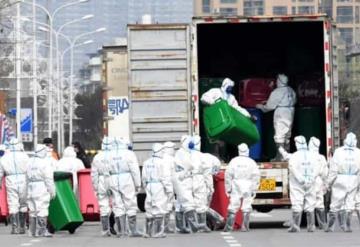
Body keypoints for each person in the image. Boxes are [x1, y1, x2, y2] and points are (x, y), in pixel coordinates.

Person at [256, 74, 296, 161]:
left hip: (281, 114)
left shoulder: (277, 91)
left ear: (279, 81)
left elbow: (269, 107)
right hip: (290, 112)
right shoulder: (290, 90)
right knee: (287, 135)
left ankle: (280, 157)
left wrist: (260, 106)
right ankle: (286, 155)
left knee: (279, 135)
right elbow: (292, 100)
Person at [326, 132, 360, 232]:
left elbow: (333, 170)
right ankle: (347, 226)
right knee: (349, 203)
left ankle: (330, 226)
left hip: (340, 179)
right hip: (353, 179)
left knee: (336, 203)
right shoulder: (358, 152)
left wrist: (328, 183)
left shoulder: (338, 151)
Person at [109, 137, 142, 237]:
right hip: (126, 179)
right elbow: (135, 170)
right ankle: (133, 230)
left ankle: (121, 231)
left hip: (113, 179)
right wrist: (138, 184)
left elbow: (105, 170)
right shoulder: (129, 154)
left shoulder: (109, 154)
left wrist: (107, 185)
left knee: (117, 204)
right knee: (130, 203)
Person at [287, 136, 321, 233]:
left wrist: (300, 179)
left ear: (297, 144)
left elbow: (292, 168)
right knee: (310, 203)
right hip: (310, 183)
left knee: (297, 203)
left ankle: (295, 226)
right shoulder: (313, 155)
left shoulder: (294, 156)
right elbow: (317, 168)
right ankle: (311, 226)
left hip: (298, 184)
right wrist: (312, 177)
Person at [224, 143, 260, 232]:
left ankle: (229, 227)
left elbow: (228, 175)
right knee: (247, 205)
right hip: (248, 185)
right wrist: (254, 188)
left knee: (233, 205)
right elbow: (256, 176)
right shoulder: (251, 162)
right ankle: (245, 226)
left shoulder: (234, 161)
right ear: (248, 150)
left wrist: (228, 188)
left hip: (236, 184)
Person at [0, 138, 29, 234]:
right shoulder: (25, 156)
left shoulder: (4, 158)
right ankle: (22, 226)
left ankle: (14, 227)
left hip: (10, 180)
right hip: (23, 180)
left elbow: (0, 173)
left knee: (12, 203)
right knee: (23, 203)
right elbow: (30, 169)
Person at [142, 143, 172, 238]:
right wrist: (169, 190)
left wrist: (145, 186)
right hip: (159, 186)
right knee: (159, 207)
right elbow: (166, 178)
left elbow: (143, 177)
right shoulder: (163, 163)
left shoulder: (147, 162)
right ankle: (158, 232)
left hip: (149, 185)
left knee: (149, 207)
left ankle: (148, 231)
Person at [26, 144, 56, 237]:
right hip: (41, 186)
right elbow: (48, 179)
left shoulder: (29, 161)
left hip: (30, 186)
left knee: (32, 209)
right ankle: (42, 231)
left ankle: (32, 231)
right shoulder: (45, 163)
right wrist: (52, 191)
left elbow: (25, 176)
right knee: (42, 208)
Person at [174, 135, 199, 233]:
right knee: (188, 203)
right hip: (183, 180)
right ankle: (193, 225)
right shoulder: (181, 154)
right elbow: (189, 166)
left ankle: (180, 227)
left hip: (184, 179)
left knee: (180, 204)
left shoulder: (184, 153)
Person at [91, 136, 114, 236]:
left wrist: (95, 187)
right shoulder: (115, 155)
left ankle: (105, 229)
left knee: (103, 204)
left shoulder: (97, 157)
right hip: (113, 179)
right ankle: (115, 225)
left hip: (101, 180)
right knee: (117, 203)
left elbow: (94, 174)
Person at [191, 135, 212, 233]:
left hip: (188, 180)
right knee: (201, 202)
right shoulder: (202, 157)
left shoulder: (187, 155)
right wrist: (210, 186)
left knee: (190, 203)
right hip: (199, 179)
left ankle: (192, 225)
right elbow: (207, 173)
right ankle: (202, 225)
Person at [308, 137, 328, 230]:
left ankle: (311, 225)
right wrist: (325, 184)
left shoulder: (306, 156)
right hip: (319, 181)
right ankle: (322, 224)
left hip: (309, 180)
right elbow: (325, 173)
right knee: (320, 202)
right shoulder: (321, 157)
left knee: (309, 202)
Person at [202, 152, 224, 229]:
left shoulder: (202, 159)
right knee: (204, 206)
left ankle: (218, 219)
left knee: (202, 207)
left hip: (203, 186)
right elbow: (215, 173)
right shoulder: (212, 160)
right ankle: (211, 223)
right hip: (207, 186)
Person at [162, 141, 176, 233]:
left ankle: (162, 226)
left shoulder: (161, 158)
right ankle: (165, 226)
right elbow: (173, 174)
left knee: (162, 204)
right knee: (168, 205)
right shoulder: (171, 159)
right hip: (169, 183)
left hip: (160, 184)